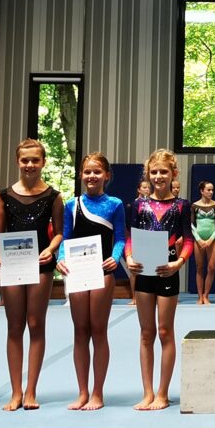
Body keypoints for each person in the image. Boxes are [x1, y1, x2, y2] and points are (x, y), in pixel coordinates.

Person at [0, 138, 63, 411]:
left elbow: (58, 232)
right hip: (12, 262)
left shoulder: (54, 196)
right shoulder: (4, 195)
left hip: (40, 262)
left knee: (35, 323)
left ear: (43, 162)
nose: (30, 165)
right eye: (25, 160)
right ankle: (15, 391)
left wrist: (52, 251)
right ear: (17, 162)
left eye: (35, 160)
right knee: (14, 326)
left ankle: (31, 389)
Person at [57, 153, 125, 411]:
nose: (91, 176)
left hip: (102, 271)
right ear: (81, 175)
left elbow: (119, 237)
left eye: (97, 172)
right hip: (77, 271)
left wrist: (115, 258)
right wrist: (61, 259)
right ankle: (82, 391)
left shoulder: (115, 204)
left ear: (107, 175)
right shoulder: (72, 205)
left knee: (98, 330)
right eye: (87, 172)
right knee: (80, 331)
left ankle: (98, 392)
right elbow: (66, 237)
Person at [126, 149, 192, 410]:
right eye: (154, 172)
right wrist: (129, 258)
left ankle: (163, 392)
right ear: (148, 175)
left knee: (165, 331)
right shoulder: (139, 205)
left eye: (164, 171)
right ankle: (147, 392)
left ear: (173, 173)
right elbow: (130, 236)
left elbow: (188, 239)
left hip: (168, 271)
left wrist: (179, 263)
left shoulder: (181, 205)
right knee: (146, 333)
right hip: (144, 271)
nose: (158, 176)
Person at [191, 179, 215, 306]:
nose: (211, 192)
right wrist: (198, 239)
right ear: (202, 191)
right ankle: (200, 297)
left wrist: (210, 239)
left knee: (211, 268)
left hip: (212, 240)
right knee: (199, 268)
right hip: (198, 240)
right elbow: (191, 224)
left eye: (212, 190)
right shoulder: (194, 206)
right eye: (208, 190)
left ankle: (206, 295)